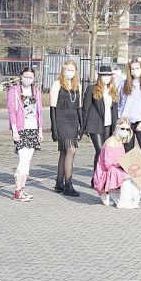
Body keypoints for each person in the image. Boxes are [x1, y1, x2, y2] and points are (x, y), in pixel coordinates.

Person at [8, 67, 42, 202]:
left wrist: (40, 130)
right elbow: (11, 111)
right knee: (22, 160)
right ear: (21, 76)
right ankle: (17, 191)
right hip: (21, 130)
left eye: (30, 77)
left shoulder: (36, 92)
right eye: (25, 76)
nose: (28, 79)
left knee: (27, 161)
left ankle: (22, 188)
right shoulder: (14, 91)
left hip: (33, 129)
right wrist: (14, 130)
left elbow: (39, 111)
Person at [50, 59, 83, 197]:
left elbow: (79, 106)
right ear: (63, 71)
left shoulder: (78, 85)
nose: (69, 72)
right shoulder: (57, 84)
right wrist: (54, 128)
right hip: (62, 120)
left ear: (75, 72)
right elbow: (53, 108)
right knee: (71, 150)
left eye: (72, 70)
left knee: (64, 152)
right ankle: (68, 184)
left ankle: (59, 183)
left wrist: (82, 125)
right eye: (67, 70)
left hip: (73, 121)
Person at [91, 118, 138, 208]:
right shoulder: (111, 142)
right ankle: (122, 201)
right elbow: (107, 164)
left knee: (136, 174)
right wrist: (122, 167)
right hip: (106, 172)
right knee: (128, 177)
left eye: (127, 129)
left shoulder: (120, 142)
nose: (125, 131)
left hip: (115, 169)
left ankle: (127, 198)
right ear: (117, 128)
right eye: (122, 128)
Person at [81, 65, 119, 172]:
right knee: (99, 150)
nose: (106, 78)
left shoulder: (113, 91)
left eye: (108, 75)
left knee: (106, 151)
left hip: (108, 125)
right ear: (100, 77)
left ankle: (102, 176)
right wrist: (83, 127)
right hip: (95, 125)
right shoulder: (91, 89)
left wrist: (116, 127)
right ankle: (96, 177)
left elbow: (115, 110)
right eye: (103, 76)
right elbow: (85, 109)